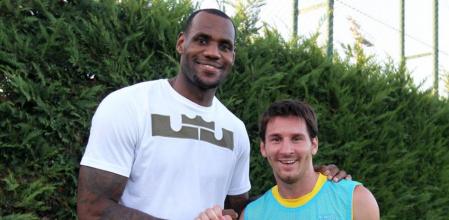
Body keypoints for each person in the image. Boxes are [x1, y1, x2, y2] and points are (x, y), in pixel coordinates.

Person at [77, 9, 348, 220]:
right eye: (202, 40)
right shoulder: (129, 105)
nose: (212, 53)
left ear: (233, 55)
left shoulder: (235, 129)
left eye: (224, 46)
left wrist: (311, 181)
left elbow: (240, 209)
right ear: (182, 43)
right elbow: (93, 210)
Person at [240, 100, 380, 220]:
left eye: (296, 139)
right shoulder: (251, 215)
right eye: (276, 139)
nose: (287, 150)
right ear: (263, 148)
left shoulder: (356, 200)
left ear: (314, 145)